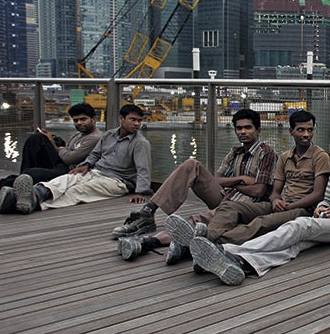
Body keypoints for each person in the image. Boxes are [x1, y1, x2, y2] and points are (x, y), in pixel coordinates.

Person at [190, 119, 330, 285]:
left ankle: (227, 252)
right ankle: (246, 265)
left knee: (299, 225)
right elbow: (327, 198)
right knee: (295, 246)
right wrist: (322, 207)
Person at [112, 108, 277, 263]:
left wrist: (233, 184)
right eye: (239, 128)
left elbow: (258, 190)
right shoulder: (235, 152)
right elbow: (216, 180)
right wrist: (239, 179)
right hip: (225, 197)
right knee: (192, 165)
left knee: (199, 220)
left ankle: (149, 242)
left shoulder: (266, 153)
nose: (242, 132)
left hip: (245, 206)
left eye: (248, 128)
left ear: (258, 130)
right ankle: (148, 211)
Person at [164, 109, 330, 250]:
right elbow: (275, 190)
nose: (306, 134)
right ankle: (206, 237)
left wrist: (289, 206)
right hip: (278, 204)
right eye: (301, 130)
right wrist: (276, 200)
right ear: (291, 132)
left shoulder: (320, 156)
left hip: (302, 209)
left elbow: (318, 194)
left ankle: (210, 245)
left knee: (261, 222)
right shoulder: (285, 157)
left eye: (310, 130)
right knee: (229, 207)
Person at [0, 104, 151, 214]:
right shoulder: (109, 135)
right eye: (133, 119)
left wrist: (141, 192)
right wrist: (86, 165)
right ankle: (33, 194)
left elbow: (143, 169)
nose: (137, 124)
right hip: (96, 171)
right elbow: (95, 154)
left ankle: (22, 202)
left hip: (118, 181)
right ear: (121, 119)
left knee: (78, 191)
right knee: (65, 180)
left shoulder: (140, 143)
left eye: (139, 120)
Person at [0, 103, 101, 196]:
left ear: (93, 119)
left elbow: (69, 158)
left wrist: (52, 143)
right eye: (76, 120)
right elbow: (66, 150)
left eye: (83, 119)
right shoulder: (77, 135)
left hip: (71, 170)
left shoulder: (94, 138)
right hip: (61, 163)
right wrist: (53, 142)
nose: (79, 123)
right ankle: (21, 180)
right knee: (36, 139)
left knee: (34, 172)